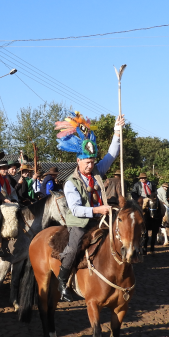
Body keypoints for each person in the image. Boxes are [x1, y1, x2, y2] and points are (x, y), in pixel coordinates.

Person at [56, 112, 124, 302]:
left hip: (100, 218)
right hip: (80, 222)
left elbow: (112, 154)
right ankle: (62, 283)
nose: (90, 165)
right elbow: (76, 209)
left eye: (93, 161)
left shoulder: (97, 172)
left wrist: (117, 132)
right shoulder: (70, 183)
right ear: (78, 161)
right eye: (87, 162)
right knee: (74, 247)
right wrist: (98, 210)